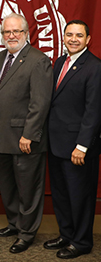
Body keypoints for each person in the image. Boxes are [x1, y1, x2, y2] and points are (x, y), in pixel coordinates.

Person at [0, 13, 53, 253]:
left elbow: (40, 103)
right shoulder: (0, 57)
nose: (12, 36)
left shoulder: (38, 60)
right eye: (7, 32)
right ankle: (15, 224)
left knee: (28, 189)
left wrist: (29, 134)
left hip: (24, 139)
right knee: (8, 187)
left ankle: (27, 234)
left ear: (27, 33)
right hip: (0, 137)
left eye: (16, 31)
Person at [44, 20, 101, 259]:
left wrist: (82, 146)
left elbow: (94, 110)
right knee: (61, 194)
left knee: (80, 197)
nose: (73, 39)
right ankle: (66, 235)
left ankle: (81, 242)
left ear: (88, 39)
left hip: (78, 147)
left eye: (79, 35)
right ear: (64, 37)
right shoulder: (59, 62)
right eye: (69, 35)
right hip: (56, 144)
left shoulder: (95, 67)